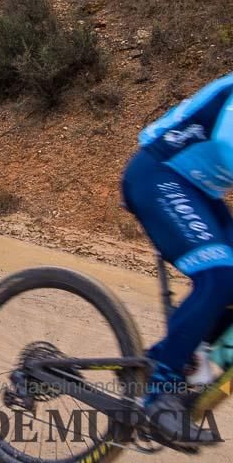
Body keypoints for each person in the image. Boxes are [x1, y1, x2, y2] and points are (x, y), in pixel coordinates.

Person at [120, 74, 233, 445]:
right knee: (218, 274)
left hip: (200, 191)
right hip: (158, 174)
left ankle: (183, 356)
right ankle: (159, 391)